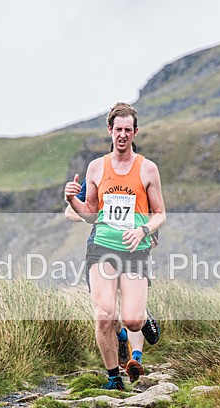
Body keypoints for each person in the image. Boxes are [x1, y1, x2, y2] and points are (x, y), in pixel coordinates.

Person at [64, 102, 165, 390]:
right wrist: (72, 199)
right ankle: (113, 378)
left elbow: (161, 213)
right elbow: (91, 214)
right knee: (104, 314)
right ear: (110, 131)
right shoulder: (96, 167)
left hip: (135, 250)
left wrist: (143, 230)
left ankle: (143, 319)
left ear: (135, 132)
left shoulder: (147, 169)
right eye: (117, 129)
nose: (122, 135)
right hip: (102, 248)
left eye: (127, 130)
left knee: (132, 321)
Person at [65, 178, 158, 379]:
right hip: (101, 249)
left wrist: (150, 234)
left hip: (134, 250)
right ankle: (122, 337)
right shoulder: (99, 176)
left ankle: (136, 359)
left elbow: (154, 212)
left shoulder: (141, 176)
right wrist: (90, 216)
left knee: (131, 310)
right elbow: (70, 212)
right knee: (108, 311)